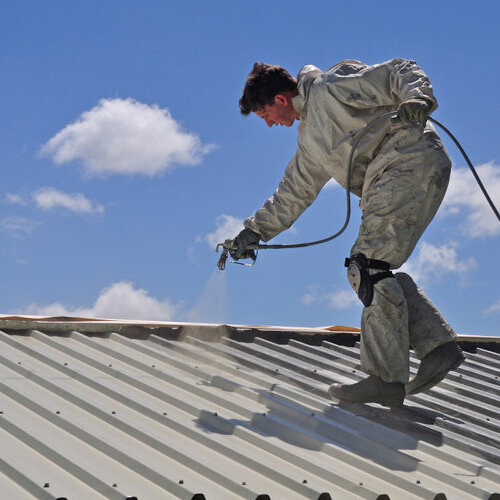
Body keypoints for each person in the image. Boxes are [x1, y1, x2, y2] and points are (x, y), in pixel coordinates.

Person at [228, 58, 465, 407]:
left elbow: (399, 70)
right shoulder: (310, 140)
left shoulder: (329, 89)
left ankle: (386, 379)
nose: (268, 124)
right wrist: (254, 232)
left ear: (280, 99)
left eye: (265, 115)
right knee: (374, 268)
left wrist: (418, 98)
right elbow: (294, 191)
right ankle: (438, 347)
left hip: (407, 159)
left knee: (367, 267)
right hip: (402, 173)